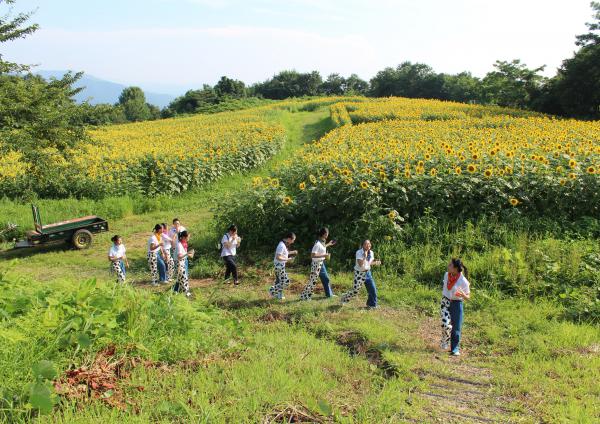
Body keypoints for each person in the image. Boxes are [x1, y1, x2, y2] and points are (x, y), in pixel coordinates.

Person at [440, 258, 471, 356]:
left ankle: (454, 349)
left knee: (456, 328)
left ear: (455, 268)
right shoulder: (446, 275)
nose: (448, 266)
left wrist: (463, 295)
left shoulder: (463, 281)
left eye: (450, 265)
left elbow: (468, 297)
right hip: (445, 302)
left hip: (457, 304)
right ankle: (444, 341)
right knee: (446, 324)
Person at [340, 240, 381, 308]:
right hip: (359, 274)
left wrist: (376, 263)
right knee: (355, 291)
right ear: (363, 245)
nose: (368, 245)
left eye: (369, 244)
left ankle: (372, 305)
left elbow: (369, 263)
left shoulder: (371, 252)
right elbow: (360, 264)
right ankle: (344, 298)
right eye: (366, 244)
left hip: (368, 273)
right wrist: (364, 256)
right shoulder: (359, 252)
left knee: (373, 289)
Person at [300, 227, 336, 300]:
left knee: (326, 279)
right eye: (326, 234)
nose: (327, 235)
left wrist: (329, 244)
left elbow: (323, 247)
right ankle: (305, 296)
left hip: (321, 263)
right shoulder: (317, 243)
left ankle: (329, 295)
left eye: (328, 234)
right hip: (316, 264)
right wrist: (324, 255)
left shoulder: (322, 242)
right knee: (312, 280)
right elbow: (312, 255)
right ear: (323, 234)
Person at [268, 232, 298, 300]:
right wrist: (287, 259)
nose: (293, 242)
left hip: (280, 266)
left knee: (280, 281)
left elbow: (285, 253)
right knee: (286, 282)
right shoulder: (281, 245)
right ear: (289, 239)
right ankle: (272, 290)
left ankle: (279, 295)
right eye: (293, 240)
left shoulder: (284, 244)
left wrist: (293, 252)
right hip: (279, 266)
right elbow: (278, 257)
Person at [173, 230, 194, 297]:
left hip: (183, 261)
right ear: (184, 237)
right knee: (184, 278)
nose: (189, 239)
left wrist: (189, 254)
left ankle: (175, 292)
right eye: (188, 237)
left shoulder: (184, 244)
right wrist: (187, 254)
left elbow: (184, 254)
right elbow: (179, 257)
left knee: (180, 279)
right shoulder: (179, 245)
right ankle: (186, 293)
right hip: (179, 263)